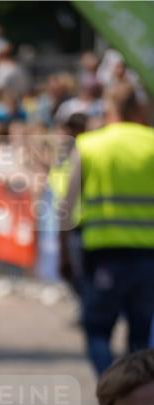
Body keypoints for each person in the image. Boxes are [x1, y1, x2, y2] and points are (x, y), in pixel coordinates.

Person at [61, 82, 154, 375]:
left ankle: (110, 386)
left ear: (109, 110)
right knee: (141, 338)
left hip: (104, 256)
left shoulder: (89, 145)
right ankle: (136, 393)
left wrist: (64, 255)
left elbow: (65, 208)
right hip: (148, 257)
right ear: (139, 110)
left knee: (97, 331)